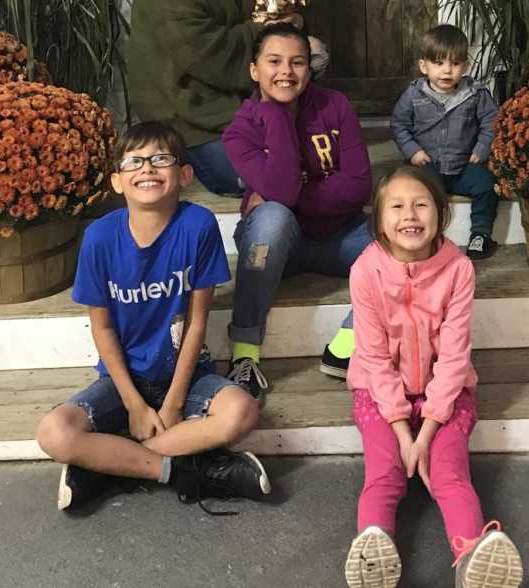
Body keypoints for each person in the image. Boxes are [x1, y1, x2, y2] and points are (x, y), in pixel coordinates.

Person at [36, 122, 270, 513]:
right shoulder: (99, 237)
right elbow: (103, 327)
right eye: (134, 161)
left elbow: (196, 323)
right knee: (54, 434)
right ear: (116, 180)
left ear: (184, 174)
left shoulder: (197, 226)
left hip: (185, 374)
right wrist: (134, 405)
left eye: (160, 159)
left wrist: (175, 403)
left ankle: (108, 467)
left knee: (242, 411)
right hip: (123, 381)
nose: (147, 168)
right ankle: (183, 472)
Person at [344, 166, 523, 588]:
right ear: (380, 221)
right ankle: (374, 551)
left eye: (421, 204)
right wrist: (404, 436)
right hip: (379, 393)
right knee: (385, 474)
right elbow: (371, 356)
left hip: (447, 393)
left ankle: (470, 562)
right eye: (397, 206)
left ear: (441, 214)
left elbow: (455, 355)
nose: (410, 215)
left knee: (449, 475)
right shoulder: (365, 271)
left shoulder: (459, 269)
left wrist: (425, 435)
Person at [221, 22, 372, 395]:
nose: (286, 72)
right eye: (274, 61)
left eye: (298, 62)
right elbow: (283, 197)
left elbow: (358, 187)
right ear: (255, 70)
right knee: (272, 217)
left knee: (400, 235)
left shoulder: (334, 106)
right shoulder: (240, 131)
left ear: (310, 67)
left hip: (340, 237)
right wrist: (273, 114)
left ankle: (343, 348)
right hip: (277, 248)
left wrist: (289, 194)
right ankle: (244, 356)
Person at [129, 0, 327, 196]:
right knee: (257, 176)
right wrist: (270, 29)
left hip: (241, 96)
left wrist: (289, 21)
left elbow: (269, 12)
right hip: (191, 112)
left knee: (313, 54)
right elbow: (210, 53)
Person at [391, 24, 501, 260]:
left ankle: (480, 235)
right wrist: (413, 151)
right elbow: (399, 125)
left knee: (486, 185)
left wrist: (481, 150)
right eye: (439, 63)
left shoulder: (475, 94)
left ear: (466, 66)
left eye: (455, 64)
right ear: (424, 66)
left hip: (464, 165)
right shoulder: (413, 94)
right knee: (418, 191)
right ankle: (427, 237)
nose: (447, 71)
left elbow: (492, 122)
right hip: (427, 163)